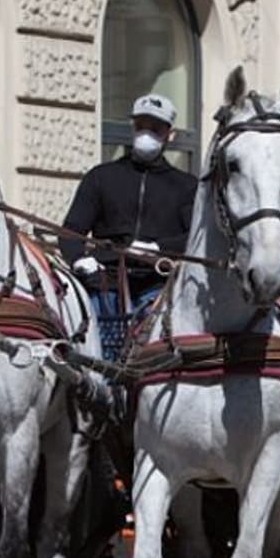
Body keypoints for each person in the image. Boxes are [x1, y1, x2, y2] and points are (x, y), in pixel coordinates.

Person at [61, 92, 199, 360]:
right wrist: (79, 260)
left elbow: (194, 238)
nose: (146, 133)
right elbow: (71, 230)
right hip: (104, 283)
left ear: (170, 135)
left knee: (154, 353)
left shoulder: (187, 186)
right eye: (141, 126)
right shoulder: (101, 177)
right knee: (92, 350)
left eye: (155, 128)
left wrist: (158, 248)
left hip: (158, 285)